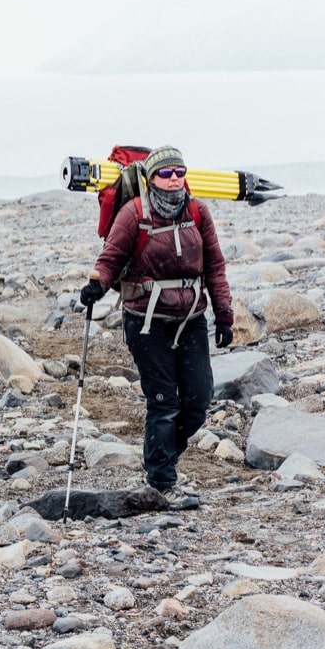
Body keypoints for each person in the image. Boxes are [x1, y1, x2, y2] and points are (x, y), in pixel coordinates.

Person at [79, 145, 233, 497]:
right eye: (166, 173)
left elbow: (215, 267)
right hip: (146, 322)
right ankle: (162, 483)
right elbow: (111, 258)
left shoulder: (198, 211)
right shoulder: (134, 213)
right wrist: (96, 286)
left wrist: (223, 315)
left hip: (191, 319)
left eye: (180, 172)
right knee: (163, 402)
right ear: (151, 178)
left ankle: (159, 458)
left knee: (198, 401)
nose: (174, 178)